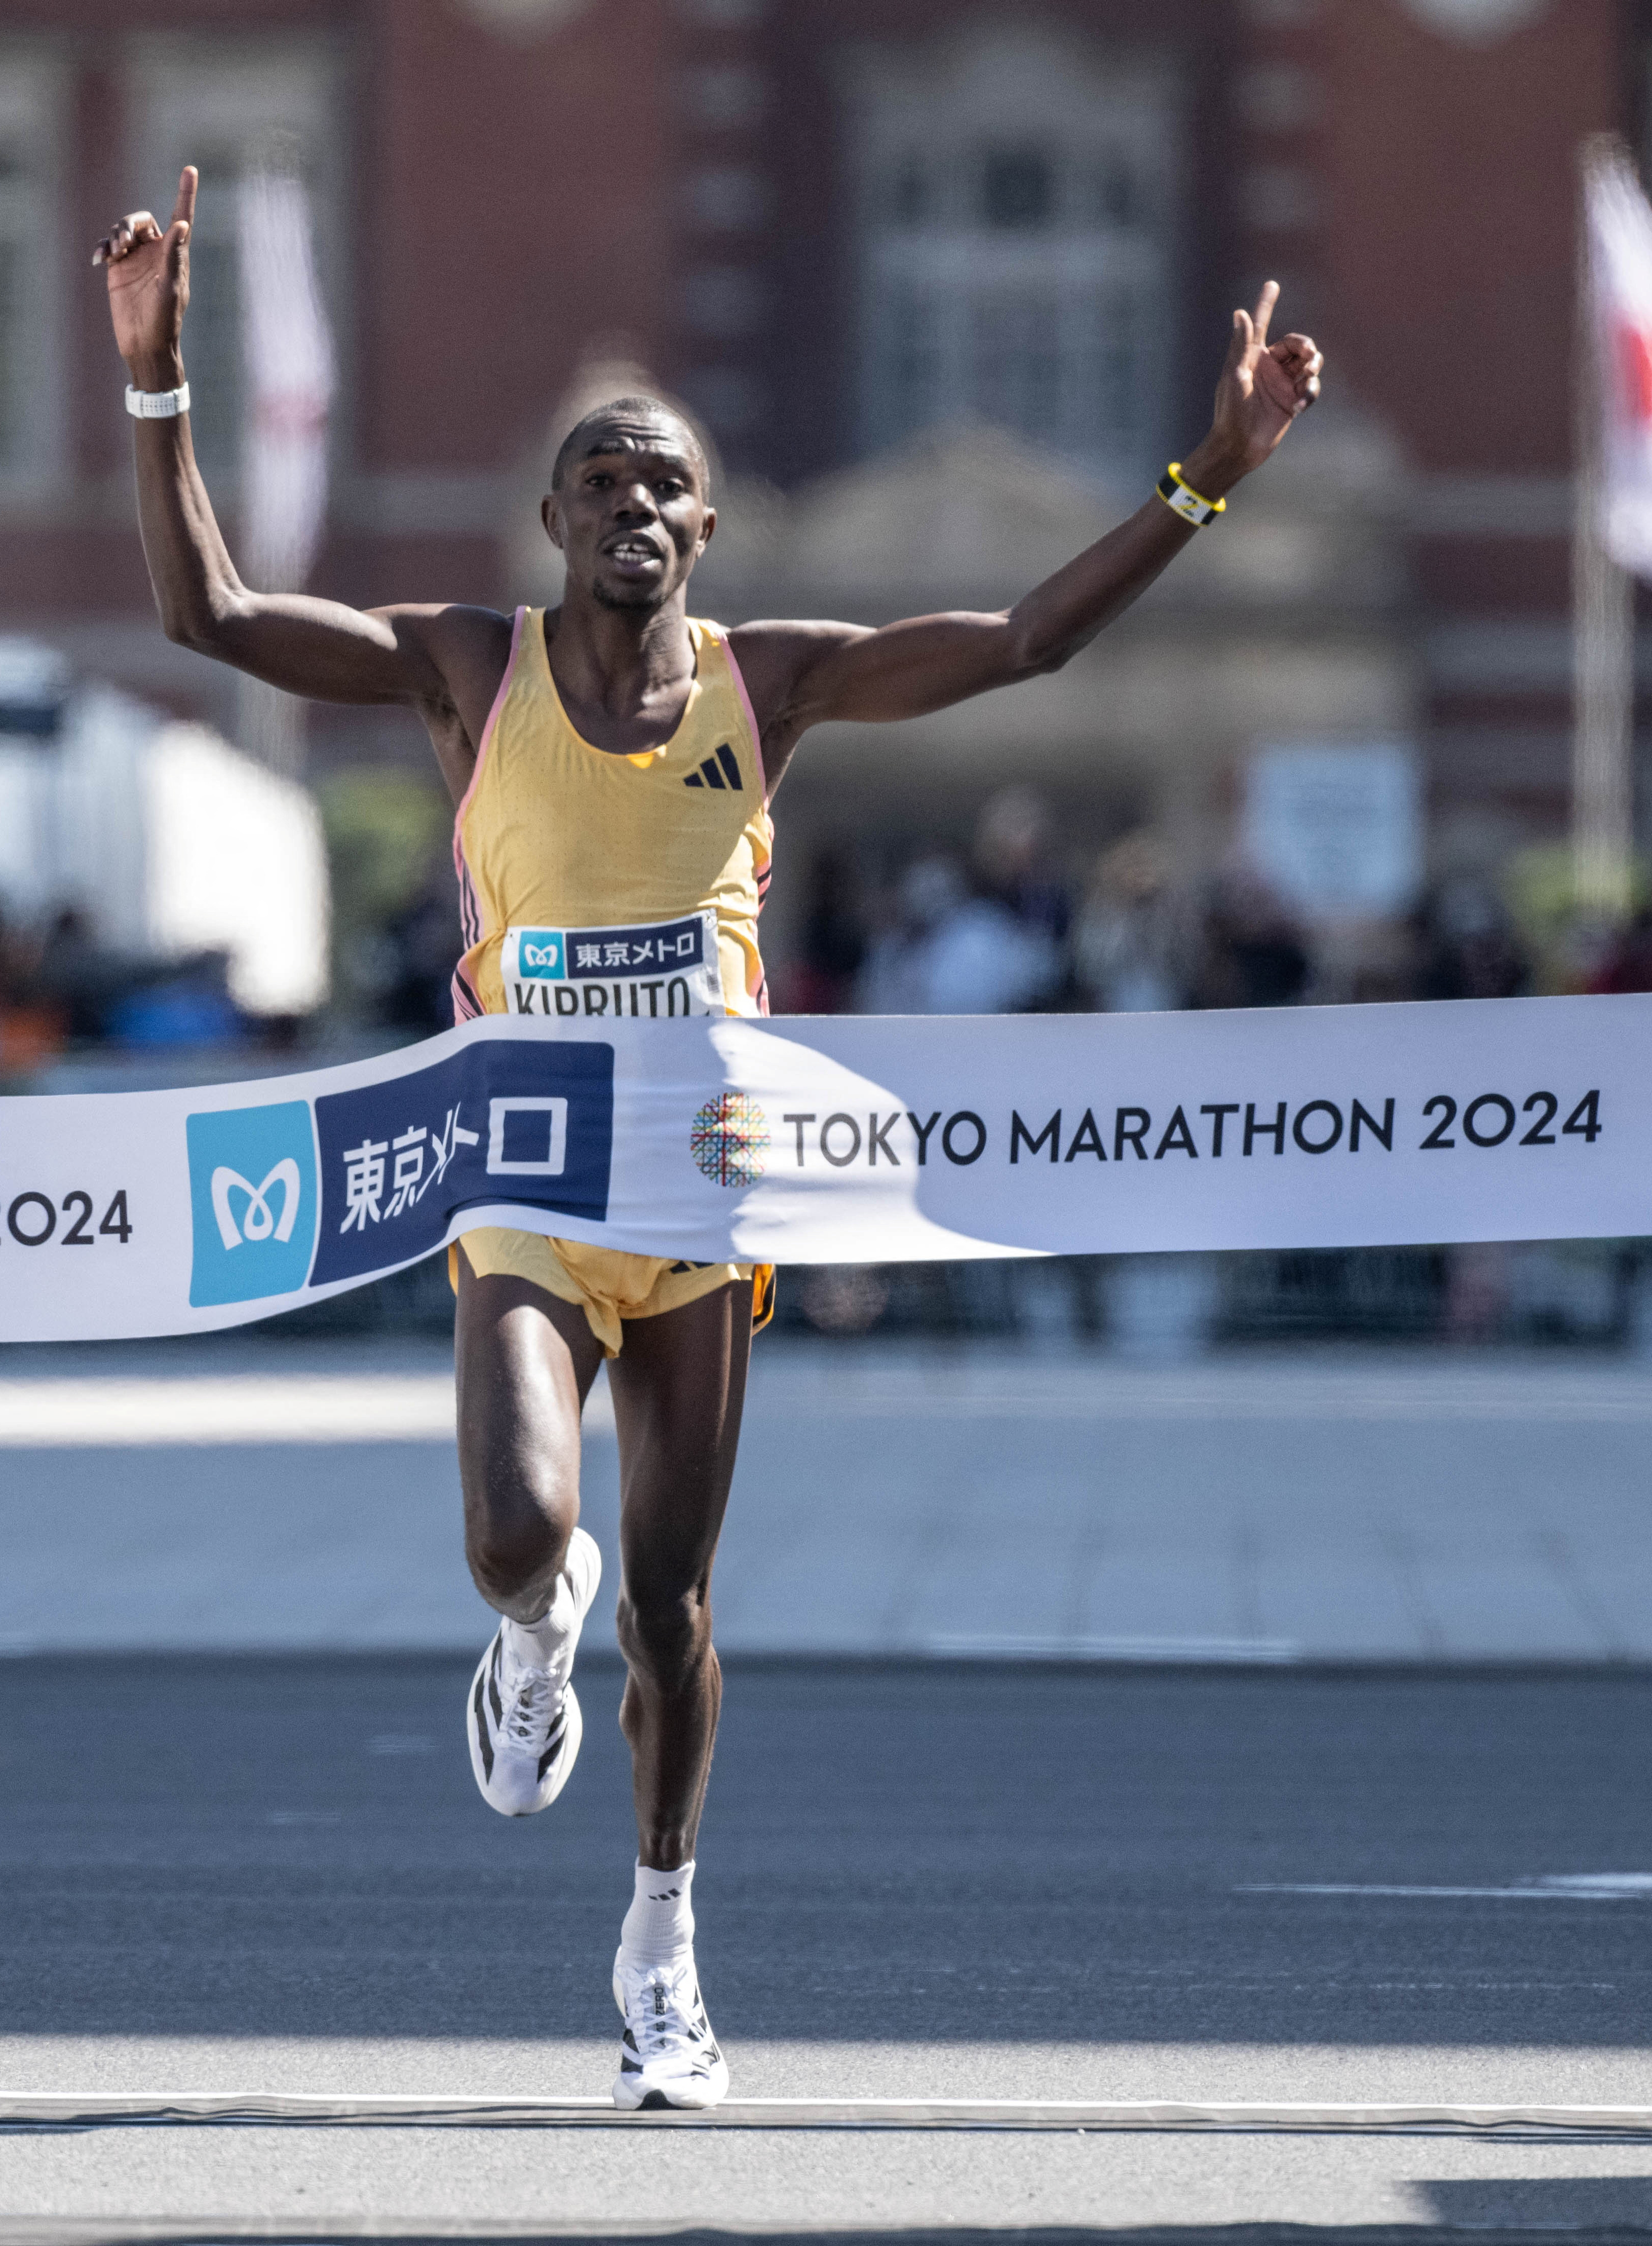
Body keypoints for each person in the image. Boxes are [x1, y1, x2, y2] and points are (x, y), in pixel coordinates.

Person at [94, 168, 1322, 2109]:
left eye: (668, 484)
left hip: (699, 1188)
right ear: (554, 516)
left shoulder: (780, 683)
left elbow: (1022, 644)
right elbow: (214, 611)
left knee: (673, 1606)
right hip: (516, 1179)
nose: (638, 505)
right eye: (604, 479)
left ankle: (661, 1943)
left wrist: (1209, 472)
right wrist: (158, 383)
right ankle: (522, 1630)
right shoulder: (463, 665)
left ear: (707, 525)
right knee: (523, 1534)